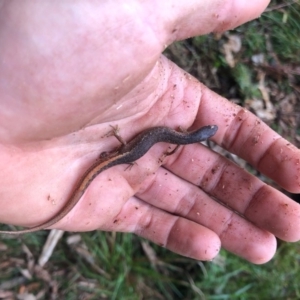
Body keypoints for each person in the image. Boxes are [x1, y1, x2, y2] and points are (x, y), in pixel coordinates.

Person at [0, 0, 299, 264]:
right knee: (118, 158)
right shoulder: (179, 136)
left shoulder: (180, 133)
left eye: (206, 131)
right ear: (200, 134)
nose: (205, 130)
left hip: (125, 153)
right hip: (124, 153)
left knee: (117, 158)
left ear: (199, 133)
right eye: (206, 130)